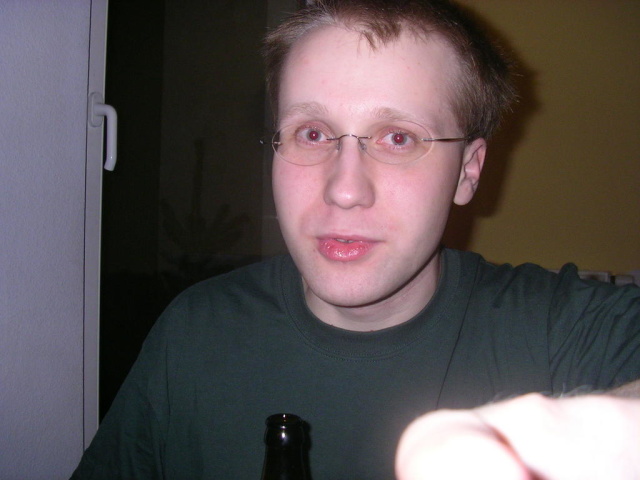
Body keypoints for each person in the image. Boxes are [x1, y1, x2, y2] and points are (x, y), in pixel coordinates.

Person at [72, 1, 640, 478]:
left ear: (468, 171)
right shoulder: (195, 334)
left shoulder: (559, 332)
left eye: (398, 138)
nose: (344, 190)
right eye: (312, 132)